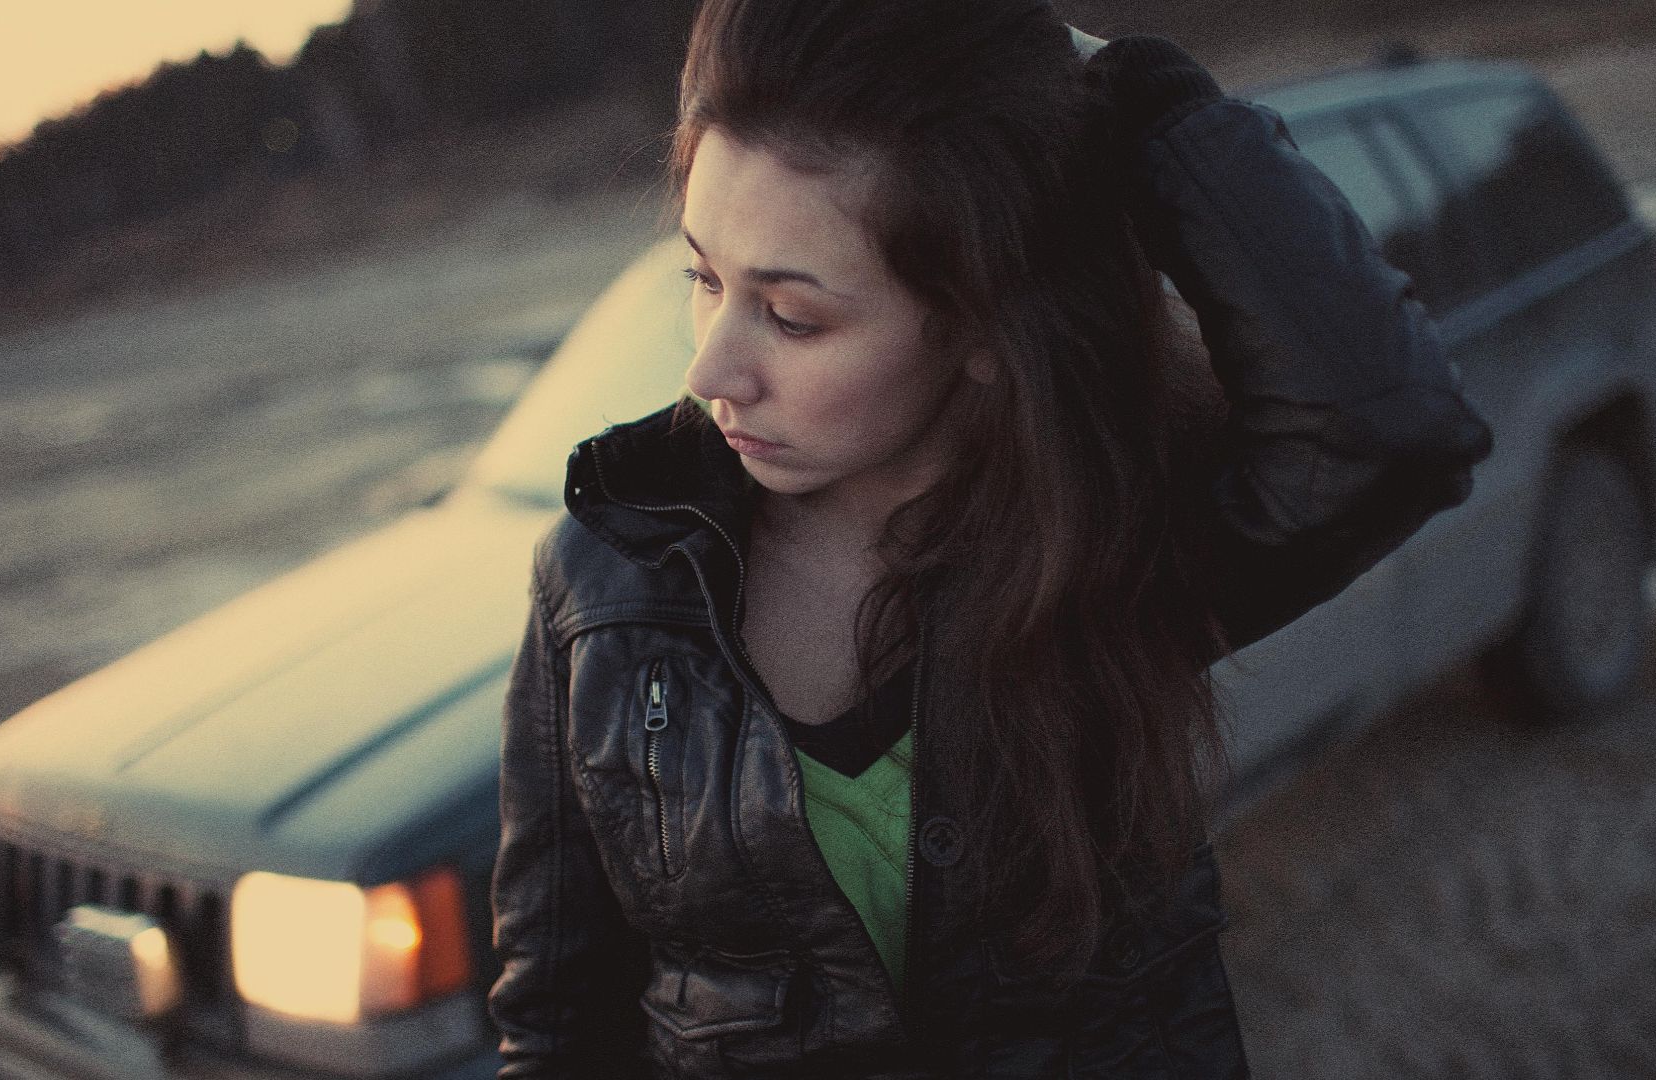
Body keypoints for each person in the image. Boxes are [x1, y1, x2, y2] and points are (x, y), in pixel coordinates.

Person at [488, 0, 1493, 1076]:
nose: (711, 370)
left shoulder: (1099, 548)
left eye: (792, 316)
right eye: (704, 278)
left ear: (977, 327)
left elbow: (1387, 434)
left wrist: (1150, 104)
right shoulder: (604, 589)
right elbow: (559, 1026)